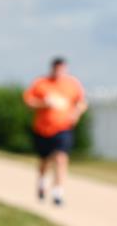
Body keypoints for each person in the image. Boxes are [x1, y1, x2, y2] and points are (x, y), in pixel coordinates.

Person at [22, 57, 87, 206]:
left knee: (61, 158)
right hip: (42, 129)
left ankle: (57, 192)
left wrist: (76, 114)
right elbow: (28, 101)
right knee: (44, 161)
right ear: (52, 68)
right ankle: (42, 183)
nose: (59, 72)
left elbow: (82, 103)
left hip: (63, 128)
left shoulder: (72, 84)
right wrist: (44, 103)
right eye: (57, 69)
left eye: (62, 69)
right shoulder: (41, 83)